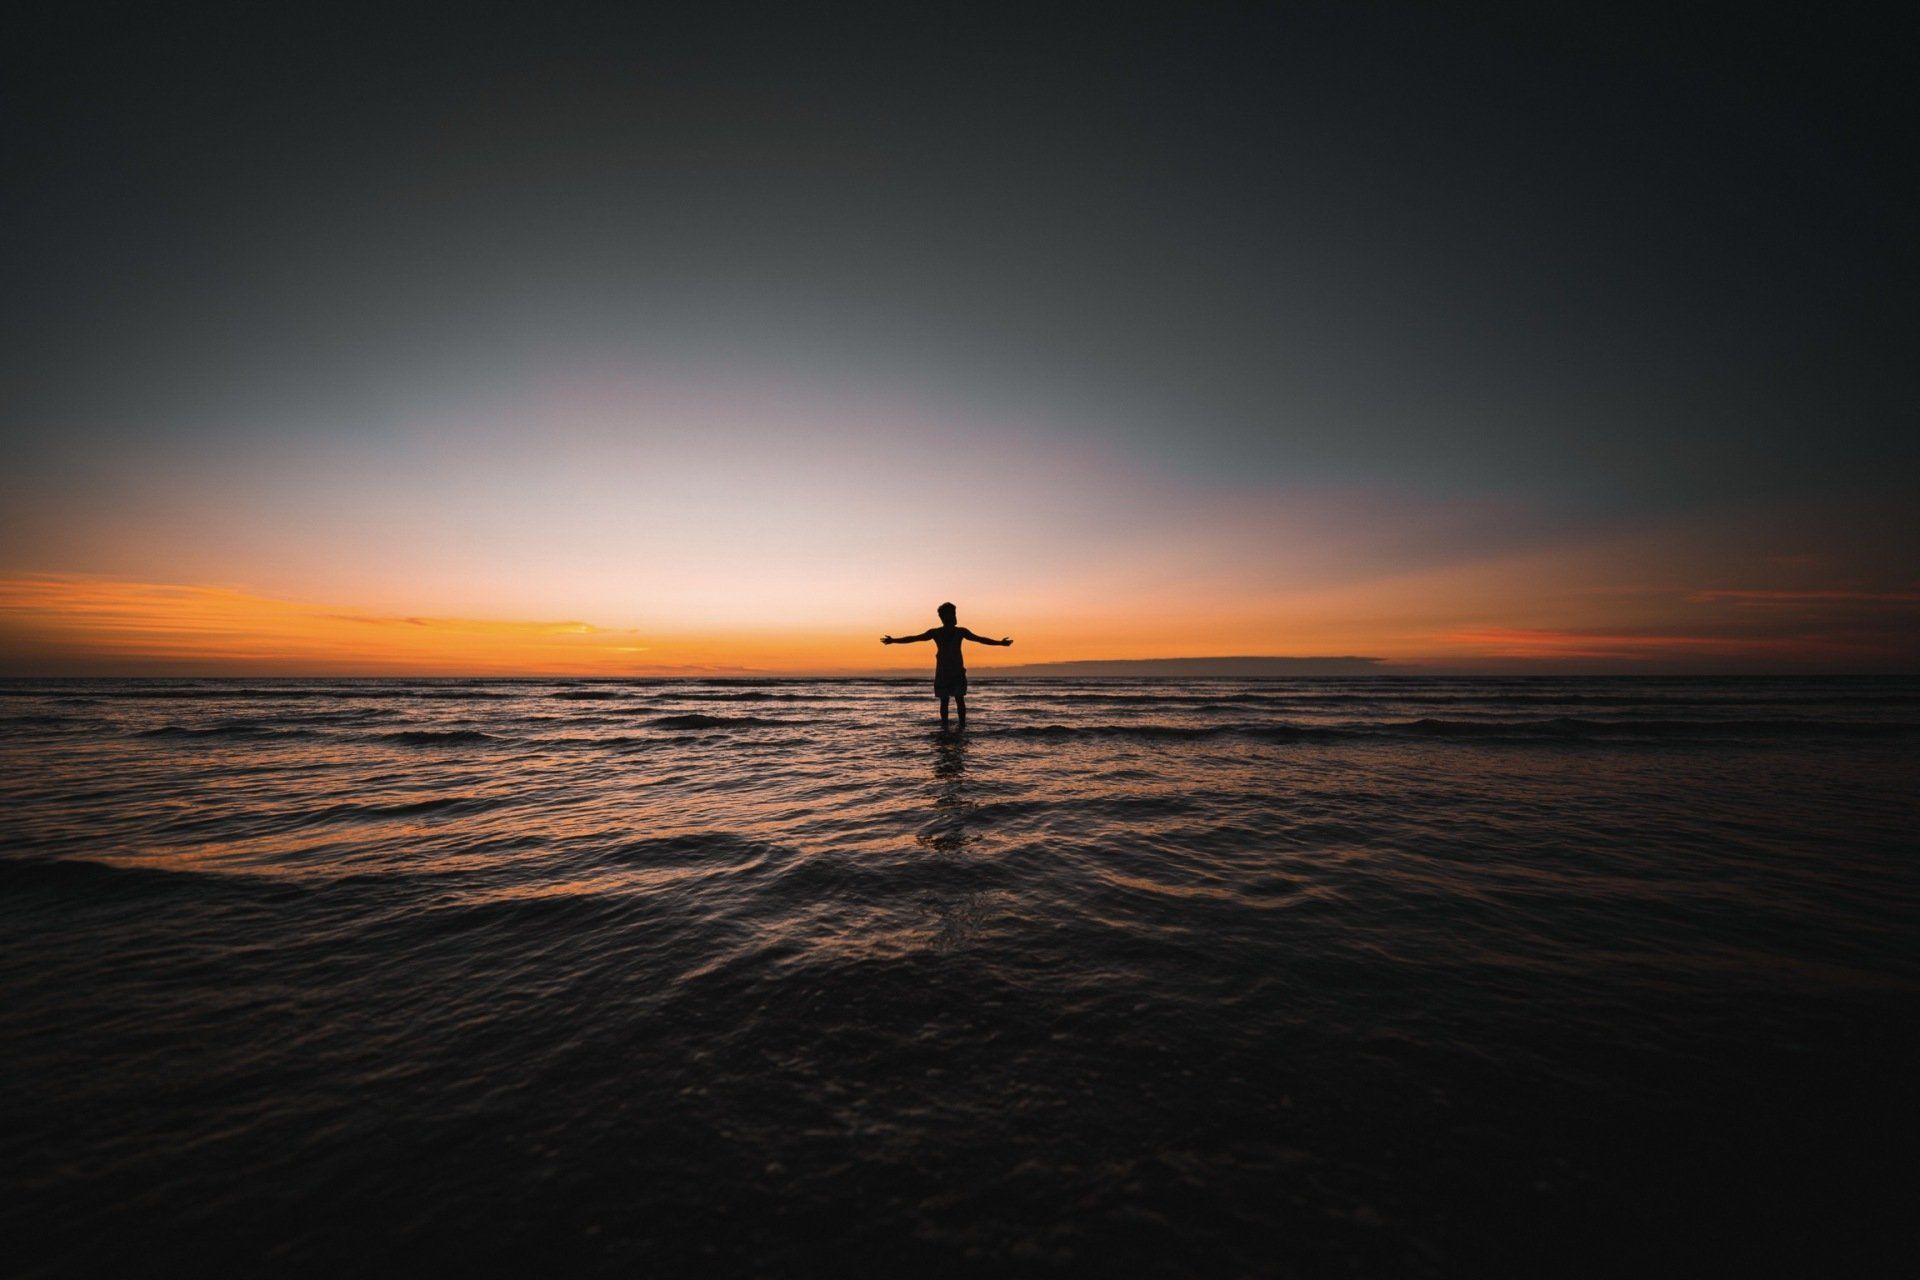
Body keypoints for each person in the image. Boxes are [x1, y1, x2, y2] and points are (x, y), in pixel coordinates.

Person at [882, 602, 1012, 730]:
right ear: (945, 617)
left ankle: (960, 726)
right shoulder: (937, 632)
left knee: (957, 700)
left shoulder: (960, 631)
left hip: (955, 671)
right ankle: (947, 727)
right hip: (945, 672)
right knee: (948, 701)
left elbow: (980, 639)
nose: (955, 616)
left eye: (955, 613)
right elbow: (914, 638)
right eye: (953, 614)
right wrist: (894, 640)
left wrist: (1000, 643)